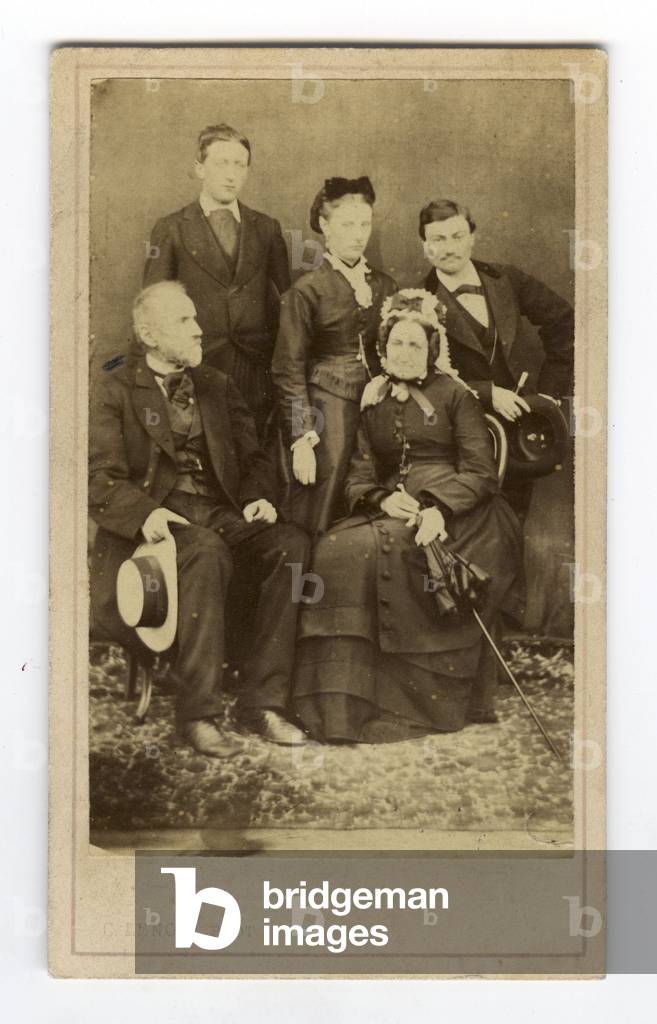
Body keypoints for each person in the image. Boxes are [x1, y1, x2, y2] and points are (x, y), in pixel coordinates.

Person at [292, 289, 523, 743]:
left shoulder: (456, 395)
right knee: (335, 549)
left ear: (432, 350)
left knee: (392, 552)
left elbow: (480, 472)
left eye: (416, 345)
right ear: (382, 348)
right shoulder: (372, 398)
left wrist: (438, 507)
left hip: (461, 513)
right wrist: (379, 499)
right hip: (394, 507)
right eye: (396, 343)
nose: (404, 352)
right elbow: (359, 470)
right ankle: (340, 705)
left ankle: (408, 702)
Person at [89, 281, 309, 756]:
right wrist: (146, 514)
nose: (200, 330)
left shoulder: (214, 384)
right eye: (184, 322)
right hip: (147, 529)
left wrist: (256, 497)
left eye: (196, 318)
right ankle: (198, 714)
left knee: (288, 545)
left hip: (215, 511)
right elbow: (98, 478)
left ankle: (263, 702)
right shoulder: (114, 388)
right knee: (205, 550)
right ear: (148, 334)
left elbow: (252, 459)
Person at [420, 198, 574, 516]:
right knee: (471, 528)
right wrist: (489, 393)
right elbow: (425, 378)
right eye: (438, 239)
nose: (449, 247)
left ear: (473, 237)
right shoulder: (418, 302)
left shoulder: (506, 279)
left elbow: (564, 321)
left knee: (513, 521)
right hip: (462, 439)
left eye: (457, 236)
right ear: (425, 246)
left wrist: (548, 394)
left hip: (523, 435)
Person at [143, 123, 290, 436]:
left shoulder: (266, 229)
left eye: (239, 164)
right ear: (200, 168)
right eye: (221, 163)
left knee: (254, 455)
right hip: (198, 365)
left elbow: (284, 304)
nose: (231, 174)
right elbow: (152, 309)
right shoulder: (171, 229)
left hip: (255, 368)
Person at [271, 176, 397, 535]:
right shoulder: (306, 291)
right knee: (323, 503)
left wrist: (385, 380)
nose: (358, 234)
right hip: (327, 411)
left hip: (378, 407)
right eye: (347, 224)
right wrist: (302, 438)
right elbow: (287, 369)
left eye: (364, 224)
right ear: (325, 227)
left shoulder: (384, 286)